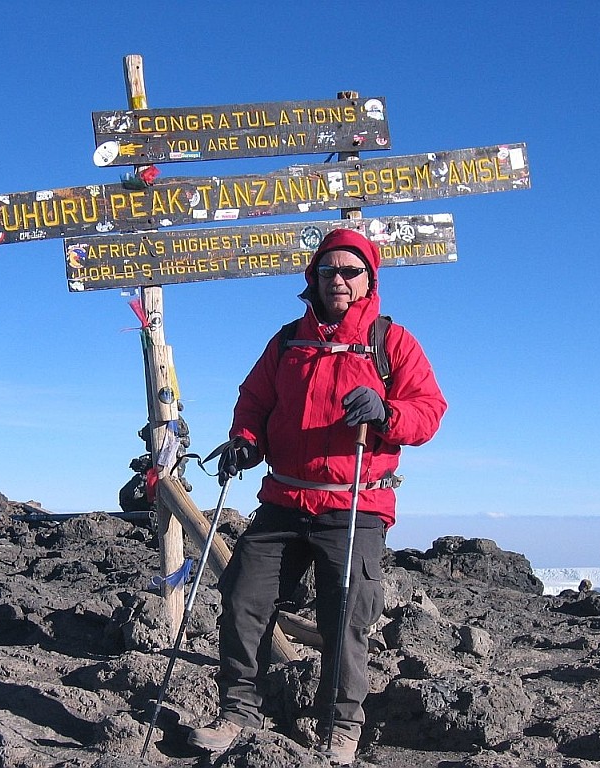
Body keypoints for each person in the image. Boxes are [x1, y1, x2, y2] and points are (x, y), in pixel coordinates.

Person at [187, 227, 447, 765]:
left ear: (369, 279)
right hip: (284, 498)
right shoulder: (288, 341)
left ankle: (341, 729)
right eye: (329, 270)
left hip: (355, 502)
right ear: (315, 277)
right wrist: (244, 442)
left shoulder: (390, 341)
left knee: (347, 613)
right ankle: (237, 713)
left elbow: (429, 409)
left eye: (351, 272)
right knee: (242, 599)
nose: (339, 281)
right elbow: (255, 400)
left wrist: (386, 412)